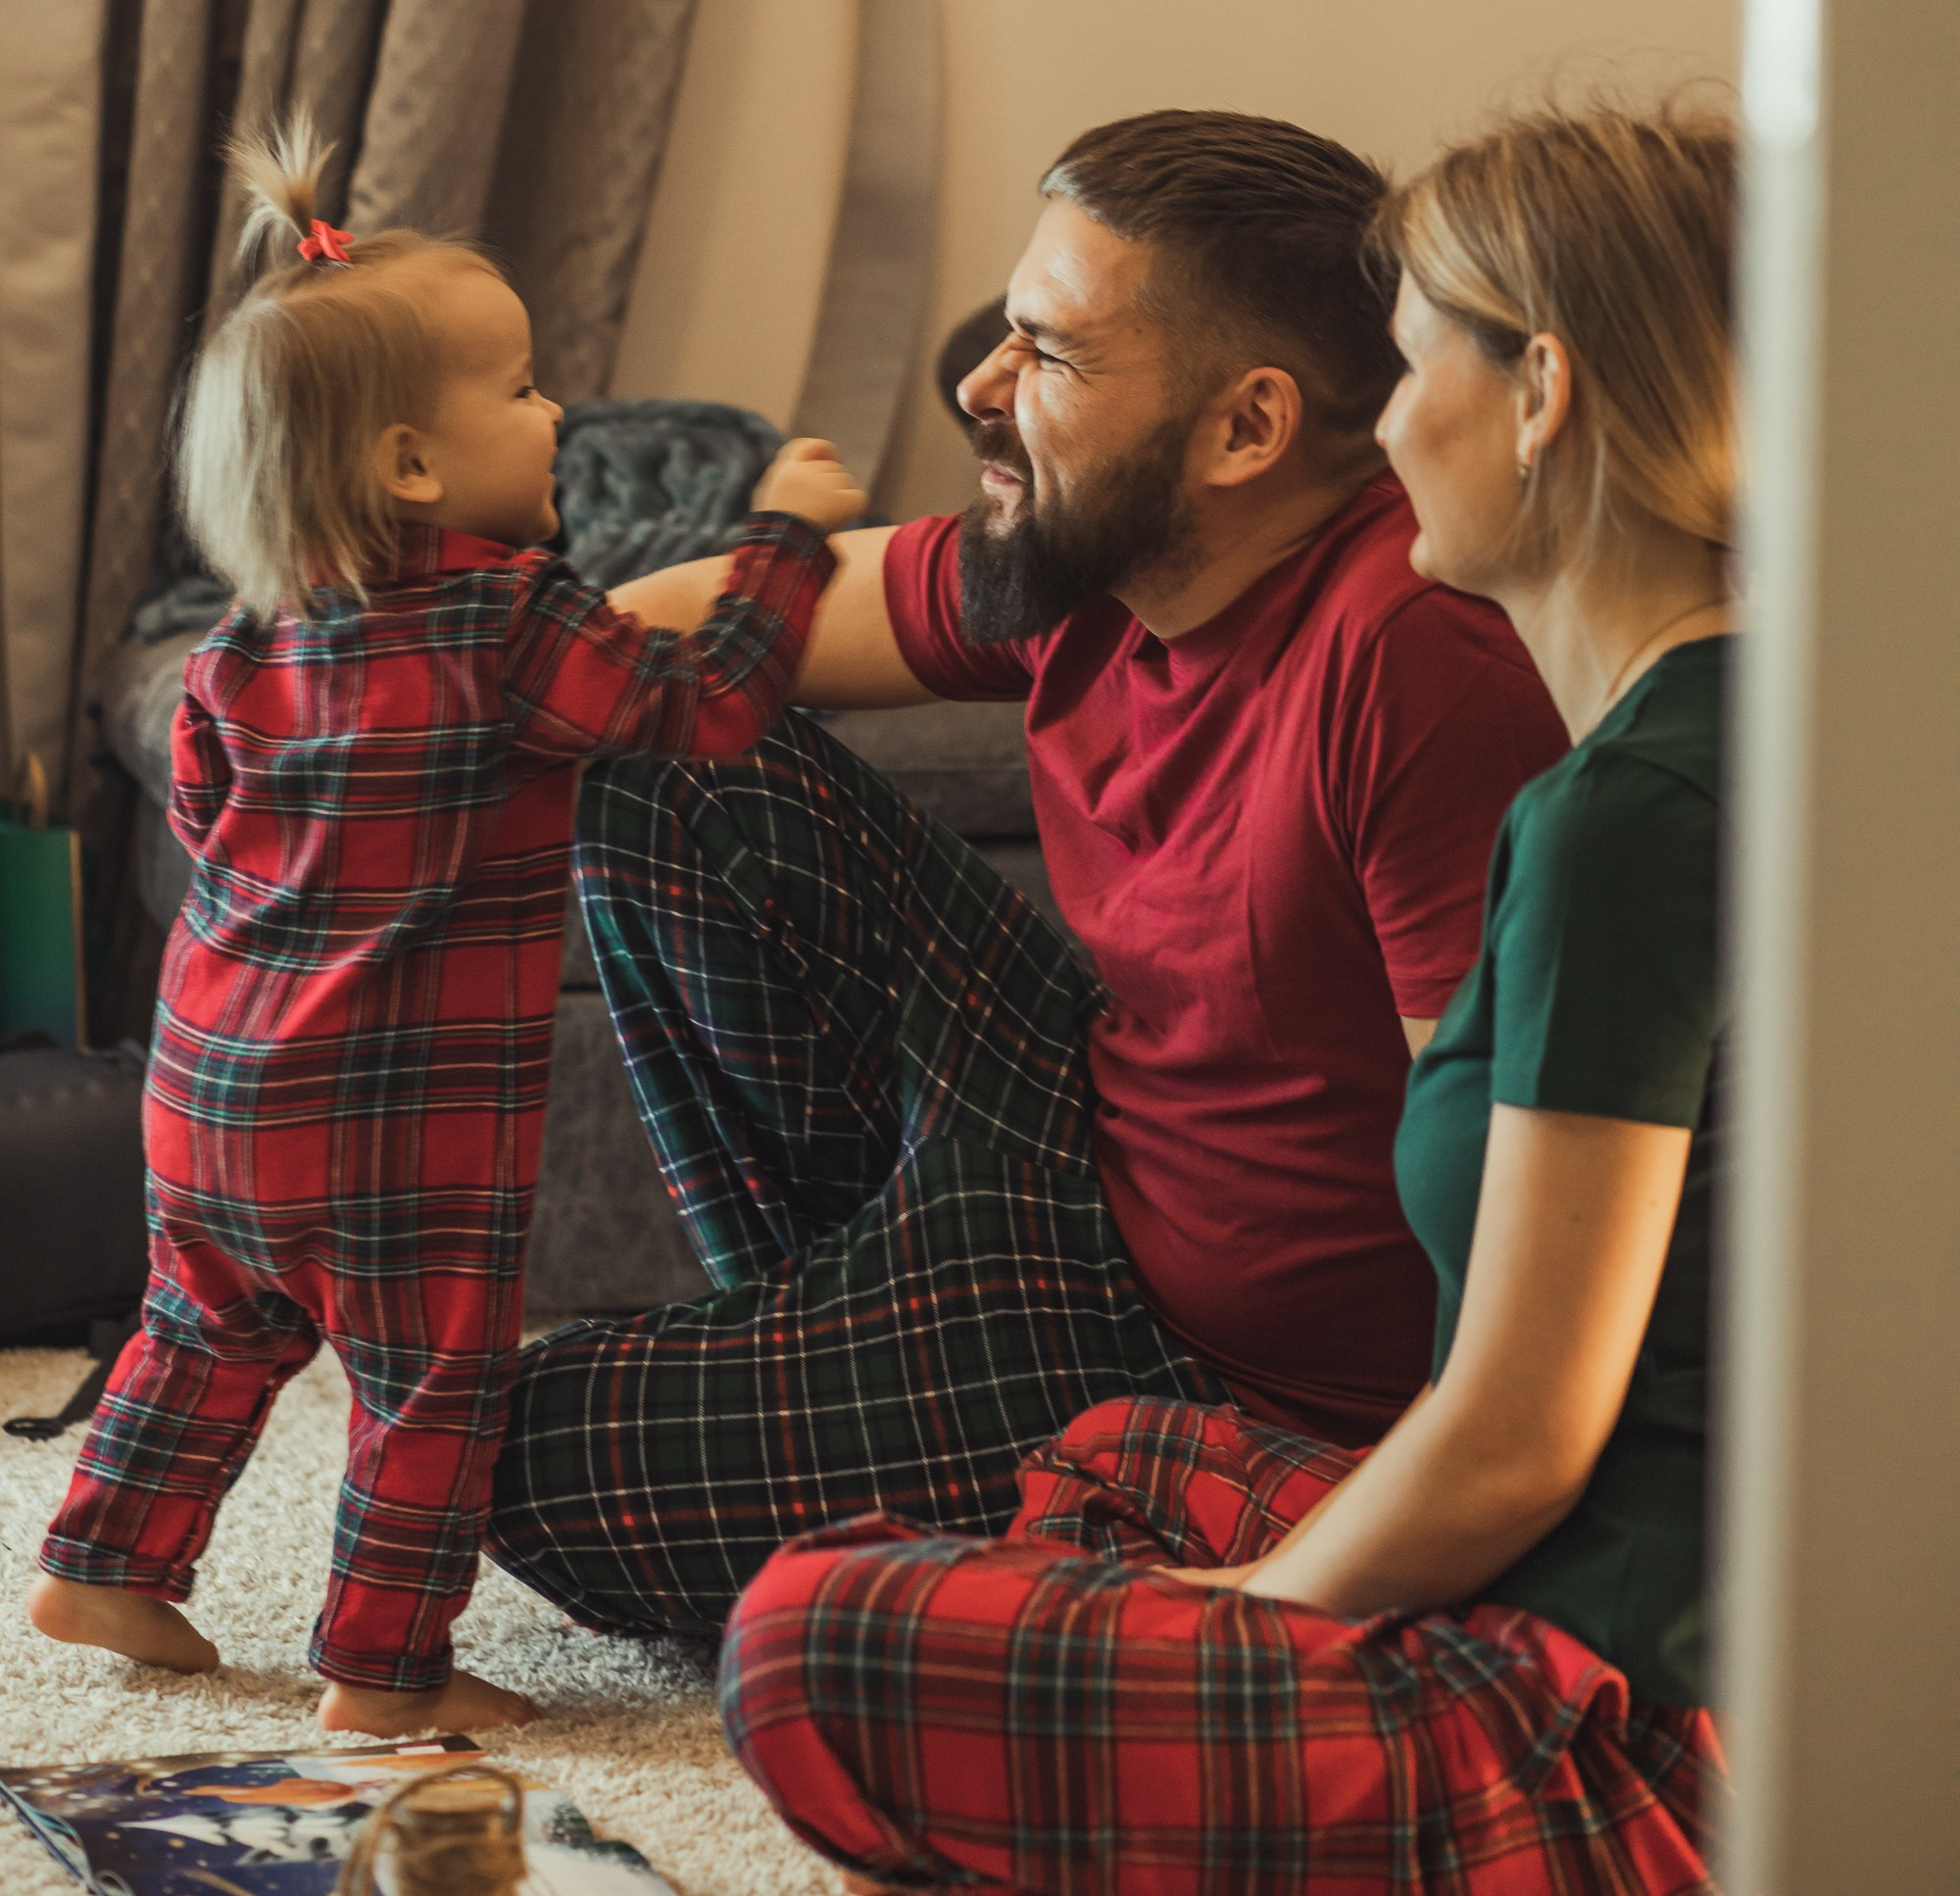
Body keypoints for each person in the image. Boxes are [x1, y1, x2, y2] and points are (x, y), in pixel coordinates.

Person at [716, 101, 1738, 1896]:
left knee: (813, 1637)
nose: (1382, 431)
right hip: (1564, 1580)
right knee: (1117, 1460)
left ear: (1541, 397)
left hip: (1605, 1700)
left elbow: (1515, 1438)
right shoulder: (1673, 753)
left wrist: (1252, 1612)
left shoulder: (1624, 816)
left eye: (1409, 366)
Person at [485, 111, 1567, 1638]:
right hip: (1078, 1136)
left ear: (1244, 430)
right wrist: (452, 705)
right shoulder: (1084, 554)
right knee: (663, 747)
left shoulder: (1413, 663)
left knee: (536, 1459)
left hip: (1234, 1390)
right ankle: (856, 1344)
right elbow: (783, 604)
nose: (980, 387)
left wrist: (1397, 1534)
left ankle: (991, 1460)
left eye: (1048, 356)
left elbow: (1506, 1199)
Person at [27, 122, 863, 1734]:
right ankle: (386, 1671)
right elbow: (704, 709)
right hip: (396, 1125)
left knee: (206, 1322)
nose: (558, 413)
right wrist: (780, 538)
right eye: (527, 386)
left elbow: (210, 827)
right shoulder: (509, 617)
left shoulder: (244, 646)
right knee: (429, 1382)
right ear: (413, 462)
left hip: (208, 1086)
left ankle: (108, 1559)